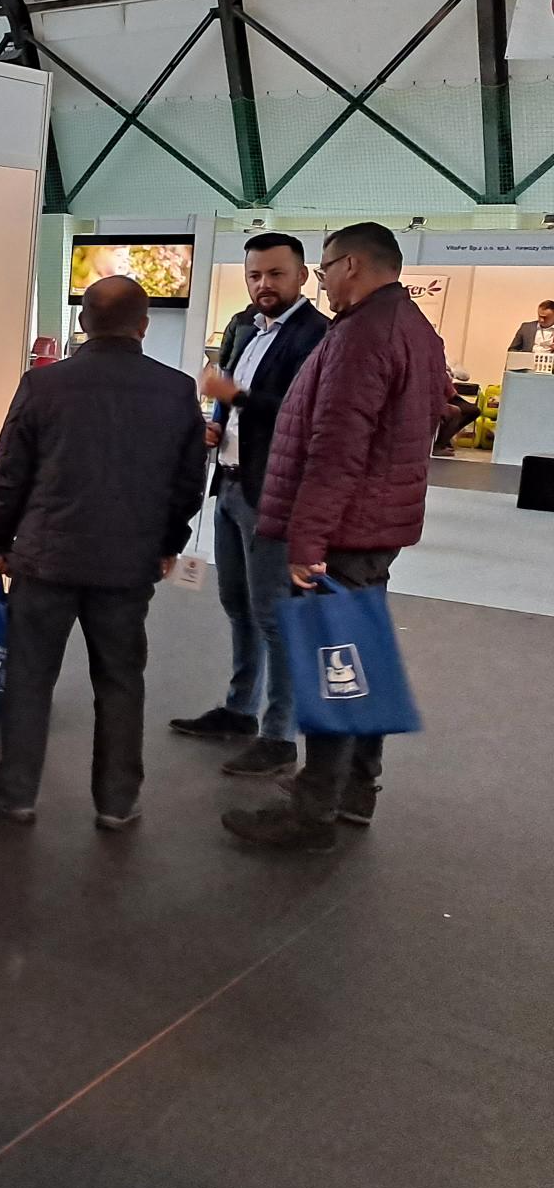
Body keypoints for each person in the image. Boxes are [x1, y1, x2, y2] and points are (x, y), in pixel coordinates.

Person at [224, 222, 452, 852]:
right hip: (375, 525)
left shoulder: (361, 336)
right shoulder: (412, 327)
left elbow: (337, 449)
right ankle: (355, 788)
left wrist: (308, 543)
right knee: (361, 655)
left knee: (336, 666)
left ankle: (313, 811)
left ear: (350, 265)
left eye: (323, 268)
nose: (321, 280)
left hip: (347, 532)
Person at [0, 277, 205, 830]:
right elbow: (188, 481)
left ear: (83, 324)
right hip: (128, 564)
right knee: (121, 680)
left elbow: (9, 470)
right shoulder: (175, 390)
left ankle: (15, 791)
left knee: (30, 677)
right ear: (144, 326)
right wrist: (169, 544)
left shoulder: (43, 385)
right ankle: (117, 802)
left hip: (47, 558)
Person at [169, 234, 330, 776]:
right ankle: (240, 709)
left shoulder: (317, 336)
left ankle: (279, 734)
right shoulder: (243, 326)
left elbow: (301, 415)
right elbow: (230, 395)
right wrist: (217, 423)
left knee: (275, 616)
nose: (264, 284)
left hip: (275, 496)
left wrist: (235, 398)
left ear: (302, 276)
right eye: (255, 274)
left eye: (276, 274)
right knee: (237, 605)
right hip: (233, 484)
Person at [434, 366, 481, 456]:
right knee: (455, 411)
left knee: (474, 411)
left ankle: (446, 437)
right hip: (440, 396)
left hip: (448, 395)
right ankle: (439, 445)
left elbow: (465, 376)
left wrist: (451, 371)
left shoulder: (445, 363)